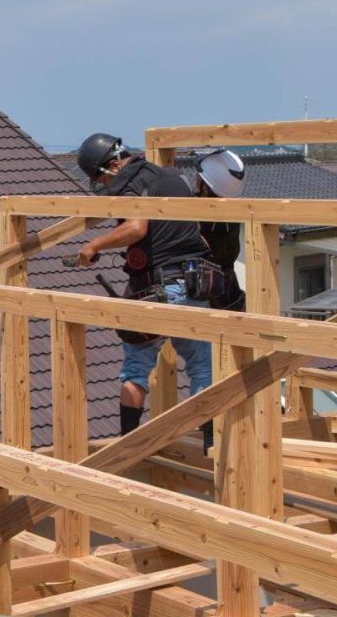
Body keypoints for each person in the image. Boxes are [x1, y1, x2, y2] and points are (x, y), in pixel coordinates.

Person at [73, 133, 214, 443]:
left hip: (160, 287)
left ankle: (129, 446)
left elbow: (137, 227)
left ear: (112, 166)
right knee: (202, 368)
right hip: (196, 283)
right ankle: (210, 445)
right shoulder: (170, 176)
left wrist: (94, 244)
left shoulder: (130, 184)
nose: (106, 186)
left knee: (136, 370)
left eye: (101, 178)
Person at [193, 149, 246, 312]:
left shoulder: (195, 211)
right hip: (229, 292)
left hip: (205, 291)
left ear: (204, 183)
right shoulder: (233, 209)